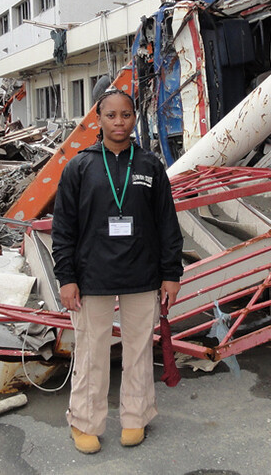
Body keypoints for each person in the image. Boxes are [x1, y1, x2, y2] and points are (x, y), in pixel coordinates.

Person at [51, 89, 183, 454]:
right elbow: (63, 228)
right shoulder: (80, 166)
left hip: (142, 274)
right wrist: (67, 278)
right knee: (92, 352)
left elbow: (166, 223)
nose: (119, 122)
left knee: (138, 351)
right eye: (111, 115)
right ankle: (84, 422)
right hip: (92, 276)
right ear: (99, 119)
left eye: (126, 115)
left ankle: (135, 417)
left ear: (134, 118)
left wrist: (171, 274)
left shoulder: (150, 166)